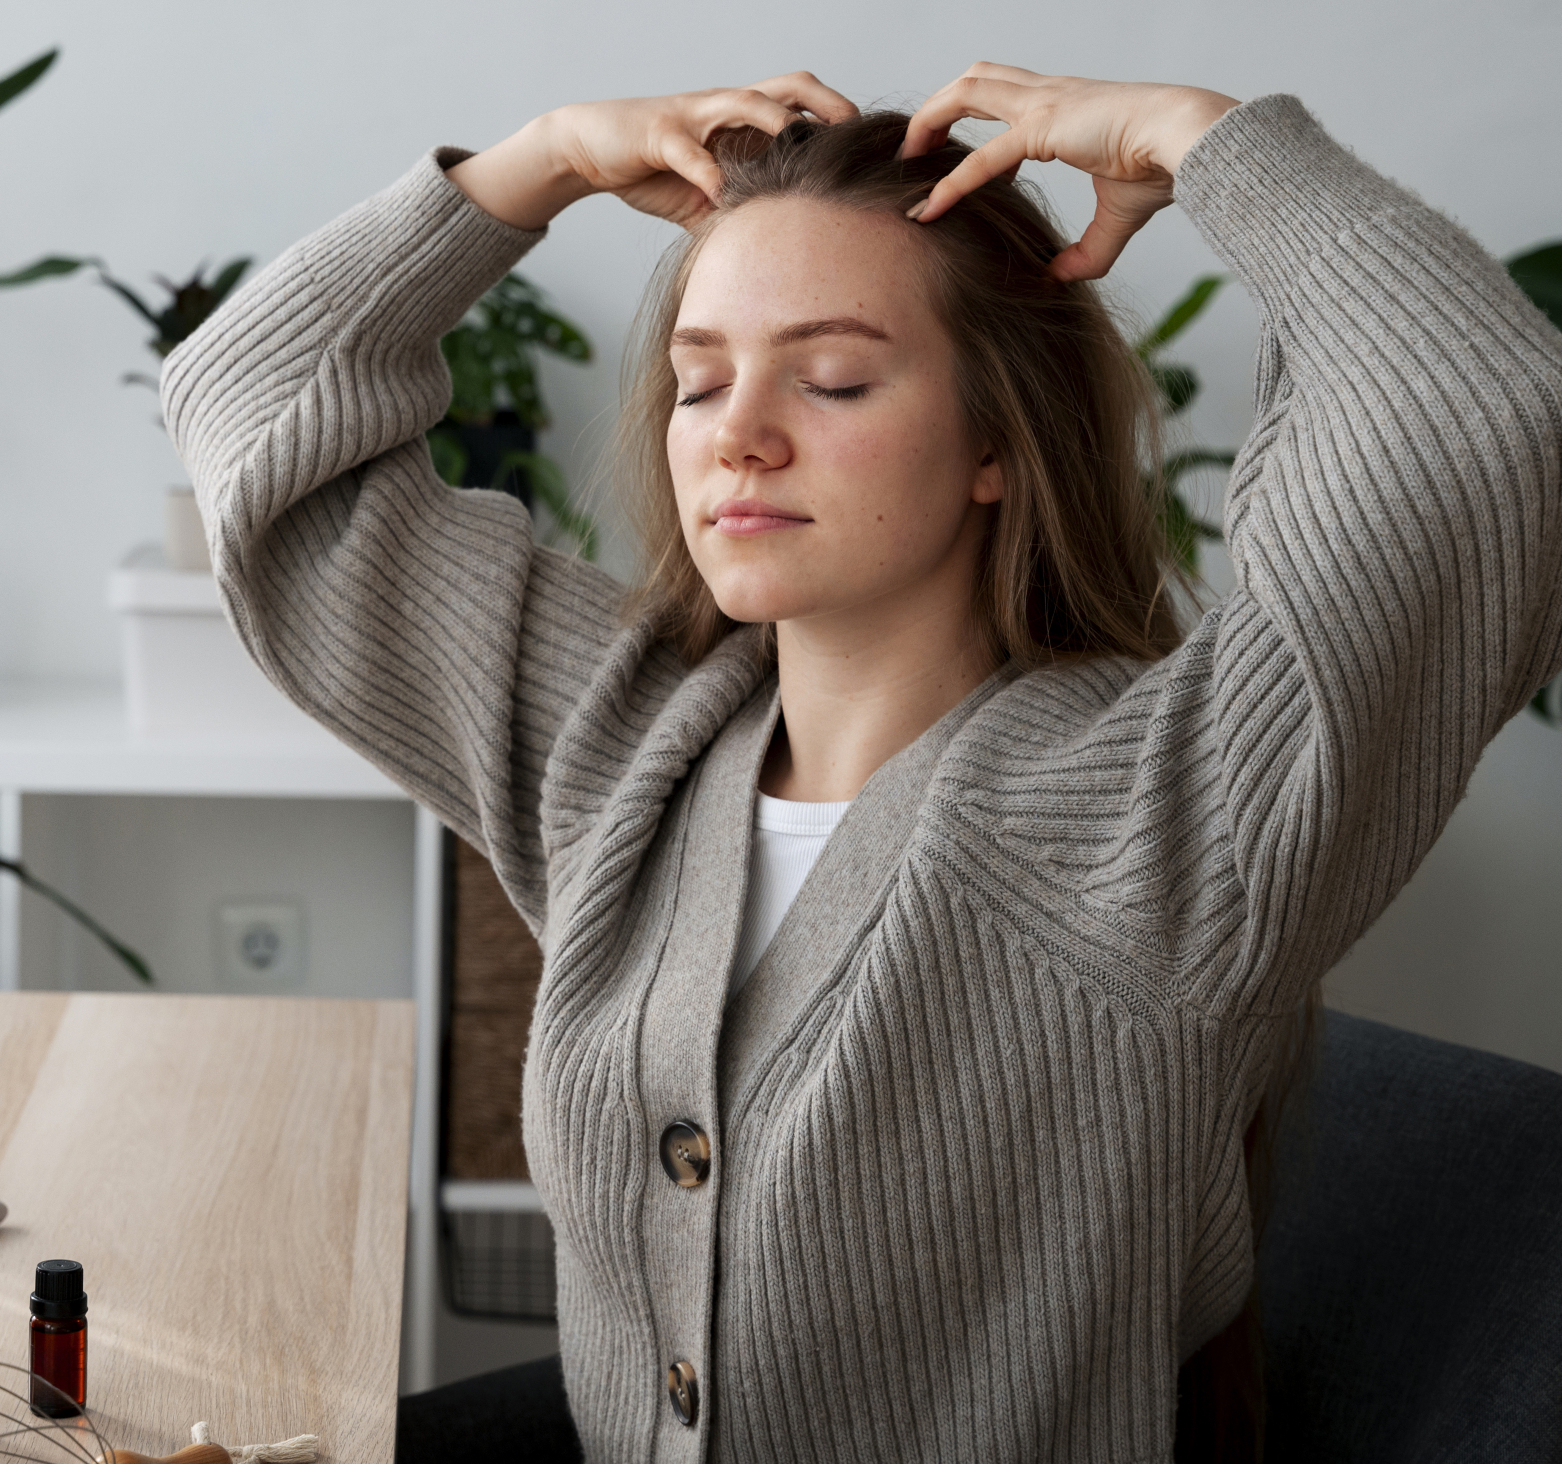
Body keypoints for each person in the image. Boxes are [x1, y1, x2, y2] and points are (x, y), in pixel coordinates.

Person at [162, 64, 1562, 1463]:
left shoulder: (1161, 818)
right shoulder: (622, 739)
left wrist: (1210, 147)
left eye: (832, 378)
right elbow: (254, 421)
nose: (740, 437)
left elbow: (1481, 431)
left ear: (996, 445)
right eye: (699, 381)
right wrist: (542, 161)